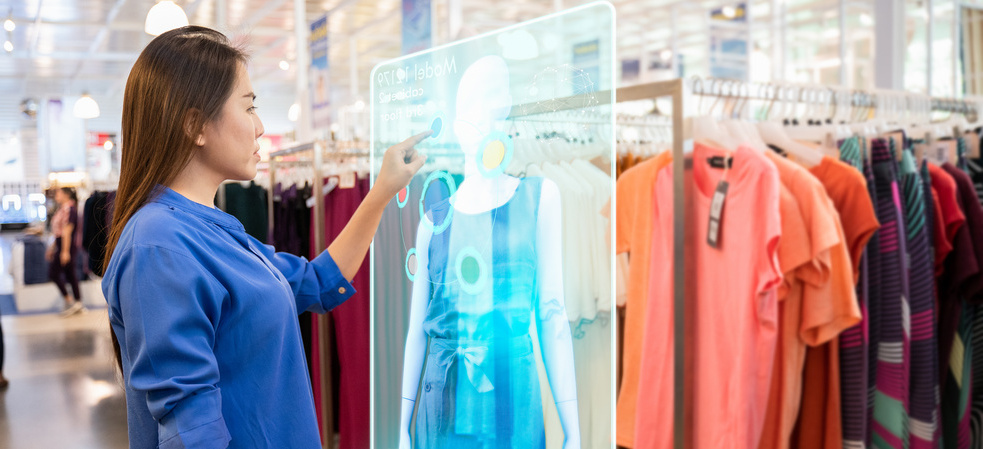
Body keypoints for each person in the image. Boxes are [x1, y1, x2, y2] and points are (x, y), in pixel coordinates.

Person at [100, 26, 429, 448]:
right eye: (249, 106)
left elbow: (317, 283)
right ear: (195, 125)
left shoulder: (213, 229)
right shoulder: (159, 245)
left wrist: (381, 190)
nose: (259, 127)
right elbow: (193, 434)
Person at [47, 187, 85, 316]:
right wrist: (52, 248)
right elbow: (58, 232)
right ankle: (76, 302)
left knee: (56, 273)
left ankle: (72, 301)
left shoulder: (70, 209)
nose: (56, 195)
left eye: (59, 193)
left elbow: (67, 232)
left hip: (67, 245)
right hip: (61, 244)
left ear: (66, 195)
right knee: (69, 274)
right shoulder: (63, 209)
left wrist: (65, 251)